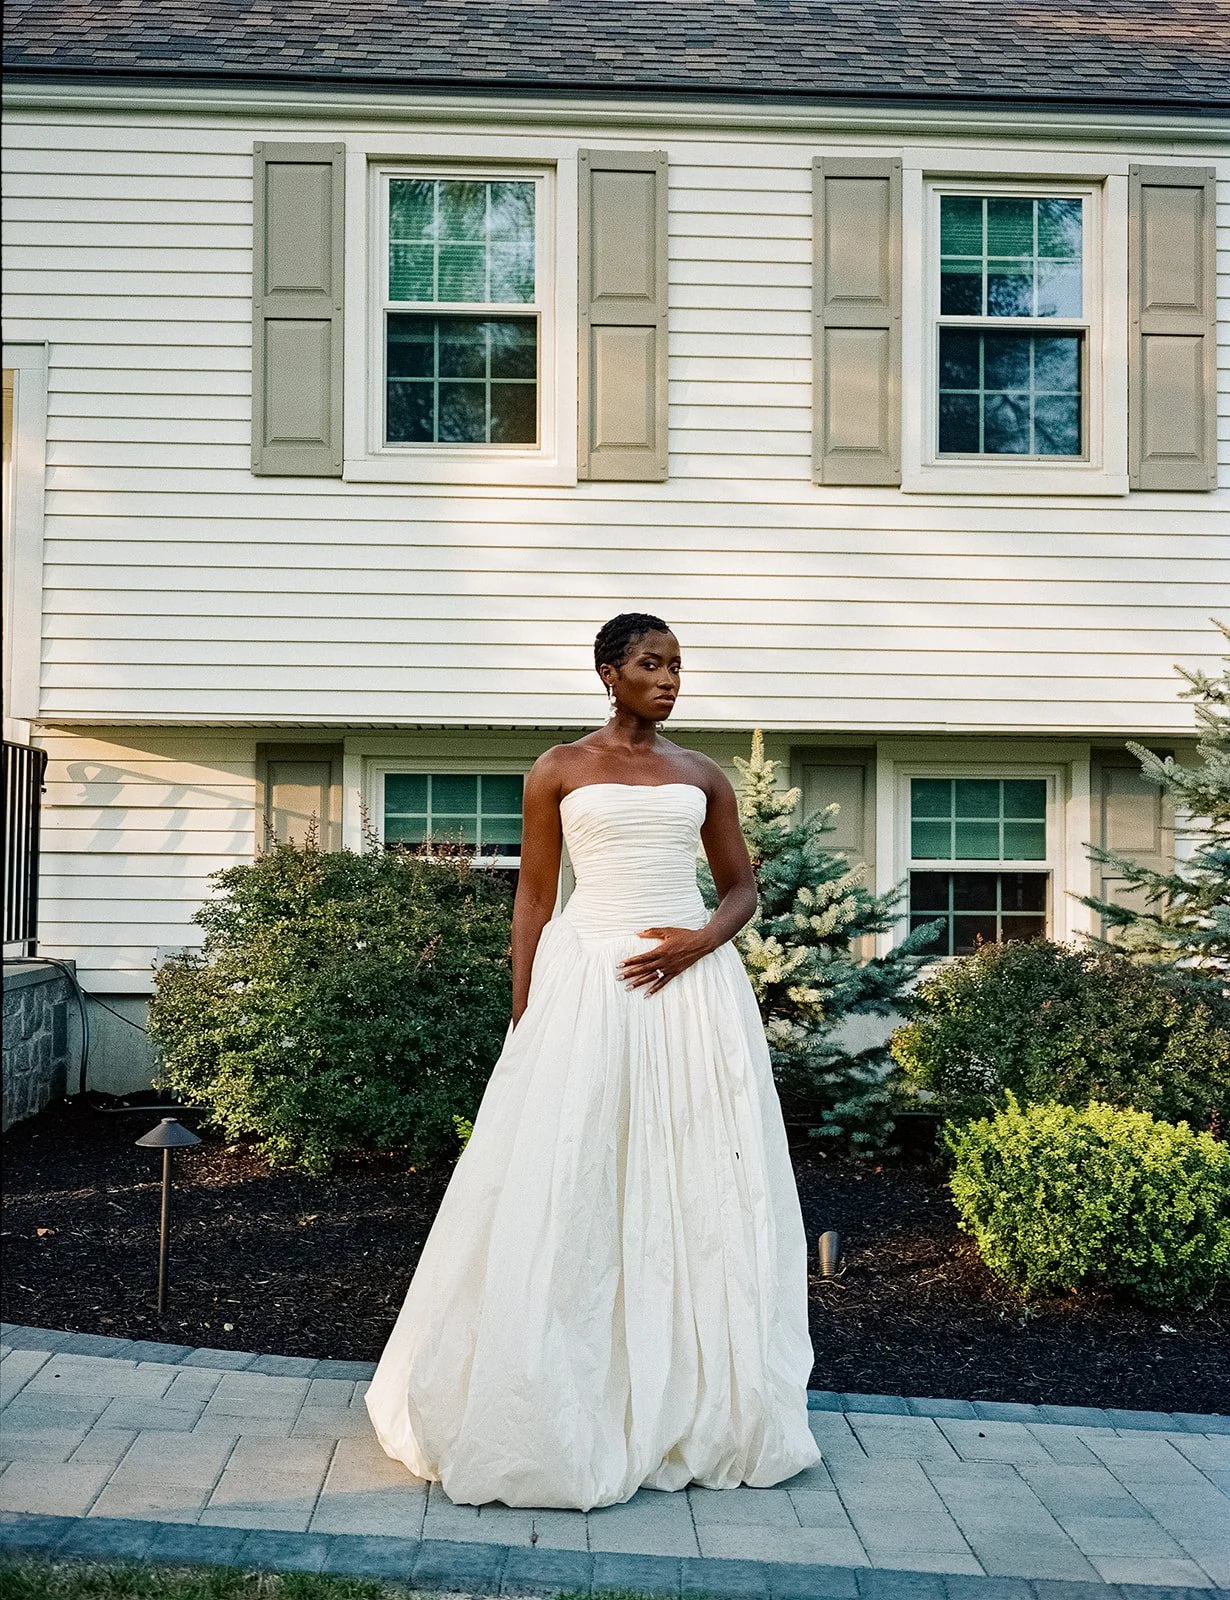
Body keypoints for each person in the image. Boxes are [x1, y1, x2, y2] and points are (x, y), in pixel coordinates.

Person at [365, 612, 821, 1509]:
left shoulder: (702, 774)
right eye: (651, 664)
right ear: (608, 673)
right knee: (571, 1171)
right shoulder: (560, 768)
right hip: (588, 982)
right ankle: (558, 1392)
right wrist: (525, 1013)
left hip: (687, 991)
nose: (669, 679)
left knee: (690, 1172)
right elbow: (534, 899)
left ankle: (692, 1398)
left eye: (678, 666)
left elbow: (741, 891)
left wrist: (696, 943)